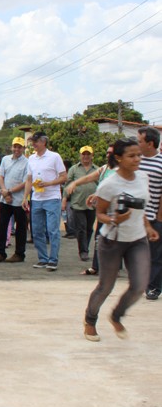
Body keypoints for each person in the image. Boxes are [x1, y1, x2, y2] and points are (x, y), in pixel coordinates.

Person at [83, 137, 159, 342]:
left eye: (139, 155)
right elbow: (100, 215)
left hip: (138, 239)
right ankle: (90, 320)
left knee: (139, 285)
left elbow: (140, 208)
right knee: (105, 286)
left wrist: (148, 227)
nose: (137, 159)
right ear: (118, 158)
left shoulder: (142, 177)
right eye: (131, 156)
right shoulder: (109, 184)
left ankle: (116, 315)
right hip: (112, 241)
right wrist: (115, 219)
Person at [22, 131, 67, 271]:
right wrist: (25, 197)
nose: (34, 144)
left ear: (44, 142)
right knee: (36, 230)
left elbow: (64, 176)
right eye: (32, 142)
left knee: (52, 230)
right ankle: (42, 258)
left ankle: (53, 259)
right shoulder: (31, 159)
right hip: (37, 198)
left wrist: (48, 183)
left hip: (52, 197)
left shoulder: (54, 157)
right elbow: (29, 179)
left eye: (36, 141)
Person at [0, 137, 28, 263]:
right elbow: (0, 176)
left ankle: (19, 254)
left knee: (21, 228)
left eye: (19, 147)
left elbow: (26, 182)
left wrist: (10, 191)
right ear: (12, 147)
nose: (17, 149)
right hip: (5, 199)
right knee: (2, 226)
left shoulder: (27, 162)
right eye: (15, 146)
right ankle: (0, 252)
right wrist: (5, 191)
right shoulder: (5, 159)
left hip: (19, 200)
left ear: (23, 148)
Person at [136, 126, 162, 300]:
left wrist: (160, 217)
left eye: (140, 141)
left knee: (155, 254)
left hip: (154, 216)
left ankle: (153, 287)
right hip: (134, 216)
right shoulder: (135, 161)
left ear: (150, 143)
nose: (137, 145)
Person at [62, 146, 99, 262]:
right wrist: (64, 199)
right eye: (84, 154)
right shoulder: (74, 169)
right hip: (77, 203)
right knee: (81, 227)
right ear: (80, 155)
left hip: (92, 205)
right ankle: (83, 251)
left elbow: (101, 185)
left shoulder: (97, 169)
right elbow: (67, 184)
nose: (86, 156)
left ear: (92, 156)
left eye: (88, 154)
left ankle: (85, 247)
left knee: (89, 228)